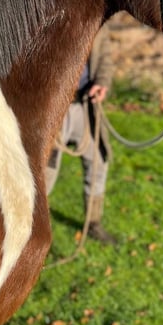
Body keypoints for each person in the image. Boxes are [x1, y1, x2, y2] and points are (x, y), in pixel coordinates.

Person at [45, 25, 116, 245]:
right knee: (44, 171)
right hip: (54, 108)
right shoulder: (50, 14)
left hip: (85, 106)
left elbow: (105, 53)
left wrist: (102, 82)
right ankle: (31, 225)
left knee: (97, 163)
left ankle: (93, 223)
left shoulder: (97, 17)